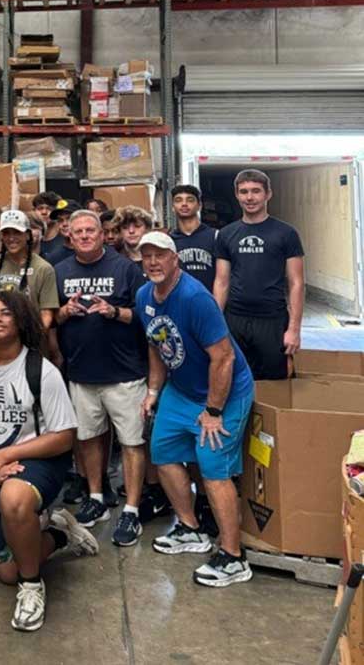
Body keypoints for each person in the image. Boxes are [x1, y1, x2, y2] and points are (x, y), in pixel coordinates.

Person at [0, 290, 98, 632]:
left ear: (20, 320)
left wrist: (5, 456)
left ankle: (31, 586)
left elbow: (64, 436)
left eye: (5, 313)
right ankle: (58, 533)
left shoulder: (42, 370)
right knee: (6, 572)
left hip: (37, 460)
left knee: (14, 498)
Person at [137, 232, 255, 588]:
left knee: (212, 467)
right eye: (147, 256)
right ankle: (190, 528)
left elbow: (224, 357)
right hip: (182, 389)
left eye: (160, 255)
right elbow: (156, 345)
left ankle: (233, 557)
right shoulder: (144, 296)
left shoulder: (194, 298)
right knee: (162, 452)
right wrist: (153, 391)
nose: (153, 262)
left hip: (224, 391)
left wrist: (214, 411)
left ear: (175, 259)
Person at [54, 211, 149, 546]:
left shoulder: (125, 268)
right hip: (81, 372)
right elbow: (50, 318)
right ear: (70, 237)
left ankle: (132, 510)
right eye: (78, 231)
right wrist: (65, 312)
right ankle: (96, 498)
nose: (84, 236)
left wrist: (114, 312)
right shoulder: (59, 271)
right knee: (89, 437)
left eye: (90, 230)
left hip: (124, 373)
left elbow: (144, 315)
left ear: (102, 234)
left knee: (132, 442)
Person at [214, 169, 304, 381]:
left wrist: (294, 329)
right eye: (244, 191)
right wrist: (215, 322)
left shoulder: (286, 233)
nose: (249, 197)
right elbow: (221, 281)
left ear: (268, 194)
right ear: (237, 195)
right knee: (234, 379)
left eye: (256, 191)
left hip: (272, 320)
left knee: (276, 381)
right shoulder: (226, 234)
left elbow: (297, 283)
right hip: (234, 319)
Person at [0, 210, 59, 334]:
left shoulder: (43, 268)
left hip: (31, 338)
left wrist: (33, 337)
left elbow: (46, 314)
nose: (11, 238)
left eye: (17, 232)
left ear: (27, 235)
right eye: (6, 233)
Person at [169, 185, 217, 292]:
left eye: (190, 200)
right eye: (178, 200)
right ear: (172, 207)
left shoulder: (215, 236)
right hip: (179, 299)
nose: (184, 204)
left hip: (208, 299)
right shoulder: (169, 240)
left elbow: (223, 278)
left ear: (199, 206)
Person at [41, 199, 81, 266]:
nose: (64, 224)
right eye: (60, 220)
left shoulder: (94, 252)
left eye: (69, 218)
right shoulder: (52, 258)